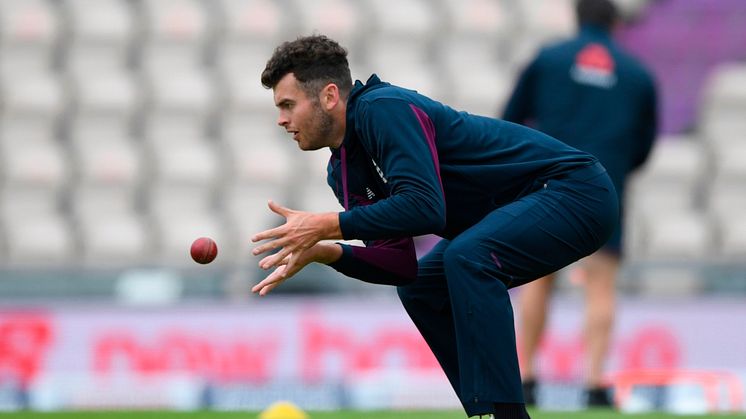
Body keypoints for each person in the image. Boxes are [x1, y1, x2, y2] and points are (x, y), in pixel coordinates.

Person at [251, 34, 619, 419]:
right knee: (422, 285)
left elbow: (426, 208)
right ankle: (486, 412)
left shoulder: (382, 108)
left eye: (288, 105)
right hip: (521, 207)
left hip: (575, 190)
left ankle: (506, 416)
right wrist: (327, 251)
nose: (281, 119)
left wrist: (329, 224)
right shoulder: (342, 170)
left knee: (468, 257)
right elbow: (399, 266)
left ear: (328, 96)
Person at [501, 0, 658, 408]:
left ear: (577, 18)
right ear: (615, 24)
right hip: (606, 187)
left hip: (549, 183)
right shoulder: (638, 74)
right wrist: (617, 170)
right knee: (602, 284)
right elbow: (644, 145)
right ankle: (593, 384)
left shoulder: (548, 60)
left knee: (538, 279)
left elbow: (510, 120)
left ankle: (527, 379)